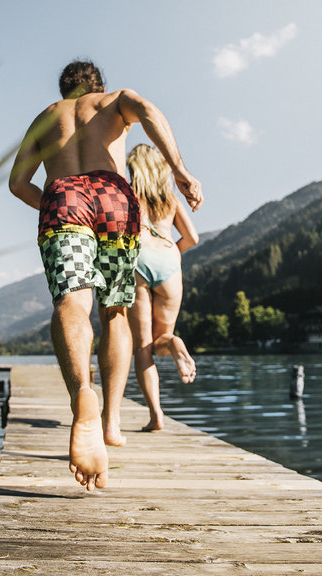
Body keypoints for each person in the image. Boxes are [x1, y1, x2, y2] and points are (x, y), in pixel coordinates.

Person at [8, 60, 202, 491]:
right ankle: (112, 424)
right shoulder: (116, 101)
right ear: (97, 85)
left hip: (64, 196)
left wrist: (57, 203)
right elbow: (149, 111)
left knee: (71, 303)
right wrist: (180, 170)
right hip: (115, 195)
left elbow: (18, 183)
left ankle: (82, 395)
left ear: (64, 89)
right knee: (115, 311)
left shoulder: (46, 116)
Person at [126, 144, 199, 432]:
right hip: (169, 258)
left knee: (143, 347)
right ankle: (174, 343)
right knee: (162, 337)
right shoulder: (170, 199)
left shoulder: (130, 195)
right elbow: (191, 238)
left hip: (139, 258)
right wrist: (171, 255)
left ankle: (156, 416)